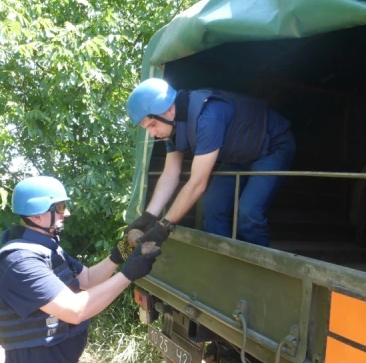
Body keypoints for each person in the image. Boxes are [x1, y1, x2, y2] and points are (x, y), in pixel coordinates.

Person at [0, 175, 161, 363]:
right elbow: (75, 310)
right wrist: (129, 274)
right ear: (36, 214)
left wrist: (124, 249)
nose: (66, 213)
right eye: (59, 207)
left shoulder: (47, 250)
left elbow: (89, 279)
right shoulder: (20, 261)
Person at [125, 78, 296, 247]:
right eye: (147, 128)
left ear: (169, 110)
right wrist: (149, 216)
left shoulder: (207, 117)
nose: (152, 134)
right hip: (238, 154)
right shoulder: (172, 127)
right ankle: (223, 258)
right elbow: (170, 174)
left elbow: (197, 184)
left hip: (272, 146)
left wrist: (164, 227)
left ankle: (258, 261)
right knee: (212, 208)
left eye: (153, 125)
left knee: (249, 212)